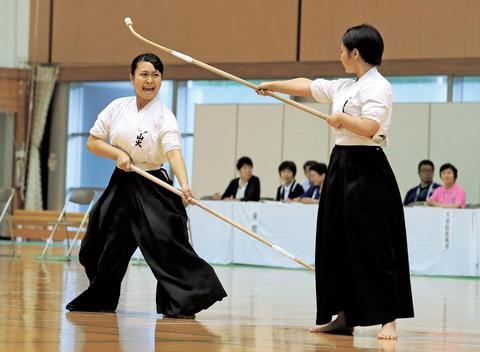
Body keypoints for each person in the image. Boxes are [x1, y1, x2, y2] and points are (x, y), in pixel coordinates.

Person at [256, 23, 413, 339]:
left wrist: (343, 120)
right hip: (340, 165)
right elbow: (308, 86)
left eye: (343, 50)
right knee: (336, 241)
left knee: (375, 243)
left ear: (355, 52)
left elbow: (370, 127)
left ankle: (388, 319)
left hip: (368, 168)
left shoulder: (378, 86)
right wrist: (273, 85)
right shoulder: (345, 86)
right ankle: (343, 316)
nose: (340, 55)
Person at [66, 53, 227, 317]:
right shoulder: (117, 107)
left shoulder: (165, 116)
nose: (150, 80)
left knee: (168, 243)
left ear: (161, 80)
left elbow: (174, 152)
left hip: (153, 185)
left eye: (156, 75)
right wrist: (118, 154)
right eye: (144, 74)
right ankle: (101, 297)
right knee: (100, 240)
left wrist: (185, 184)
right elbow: (93, 142)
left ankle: (181, 302)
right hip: (121, 183)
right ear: (131, 78)